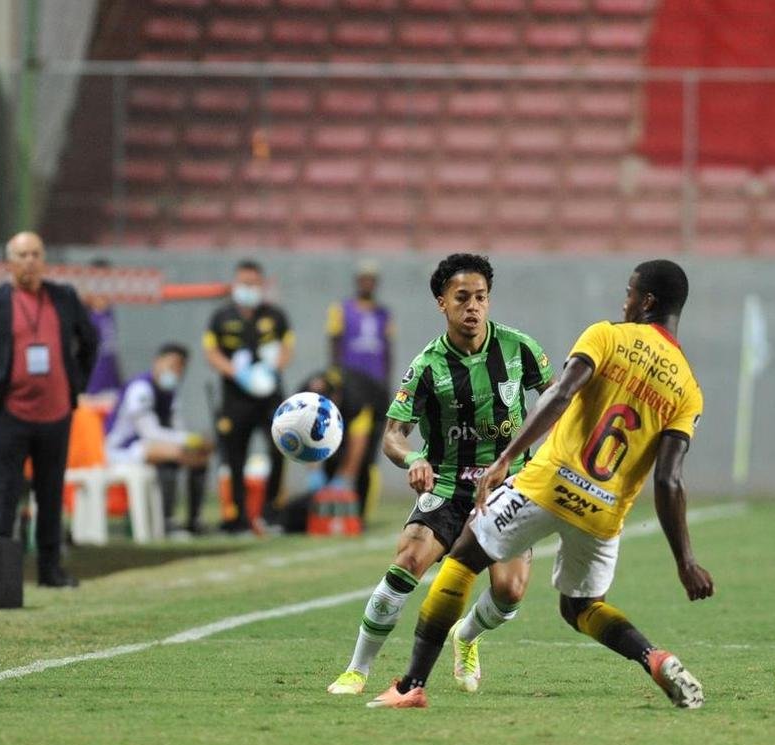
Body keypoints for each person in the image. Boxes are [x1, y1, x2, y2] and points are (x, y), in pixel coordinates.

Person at [368, 259, 713, 710]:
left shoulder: (607, 335)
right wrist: (685, 561)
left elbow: (560, 394)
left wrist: (506, 458)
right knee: (582, 608)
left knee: (466, 556)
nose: (624, 301)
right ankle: (653, 657)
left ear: (646, 301)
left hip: (546, 484)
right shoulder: (688, 388)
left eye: (629, 293)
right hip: (604, 513)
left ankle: (411, 685)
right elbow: (669, 479)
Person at [327, 253, 554, 696]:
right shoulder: (428, 366)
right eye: (462, 297)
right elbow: (393, 434)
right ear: (442, 303)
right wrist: (413, 460)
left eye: (481, 298)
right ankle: (357, 669)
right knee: (408, 560)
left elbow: (558, 401)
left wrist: (541, 455)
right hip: (448, 484)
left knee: (510, 592)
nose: (473, 307)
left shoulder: (519, 348)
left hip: (508, 487)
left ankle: (466, 636)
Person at [0, 231, 98, 587]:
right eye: (22, 254)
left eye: (36, 254)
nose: (30, 261)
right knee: (6, 492)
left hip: (56, 414)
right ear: (9, 262)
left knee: (51, 492)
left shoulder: (63, 297)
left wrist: (78, 383)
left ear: (44, 260)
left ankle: (50, 570)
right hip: (9, 413)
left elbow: (90, 341)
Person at [202, 260, 294, 534]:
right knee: (234, 456)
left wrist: (270, 369)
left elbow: (287, 348)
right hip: (235, 398)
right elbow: (211, 351)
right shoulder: (221, 317)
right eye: (244, 283)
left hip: (270, 397)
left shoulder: (276, 315)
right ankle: (238, 517)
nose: (248, 288)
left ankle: (271, 513)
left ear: (262, 285)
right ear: (234, 284)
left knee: (279, 449)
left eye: (253, 283)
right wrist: (236, 373)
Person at [104, 342, 212, 535]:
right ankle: (164, 521)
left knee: (199, 455)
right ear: (157, 362)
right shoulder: (140, 389)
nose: (176, 372)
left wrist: (195, 444)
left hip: (147, 448)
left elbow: (177, 428)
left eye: (180, 367)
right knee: (171, 452)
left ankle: (194, 520)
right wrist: (189, 440)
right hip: (118, 450)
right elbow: (150, 432)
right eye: (172, 365)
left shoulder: (171, 393)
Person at [280, 365, 389, 531]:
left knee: (364, 463)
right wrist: (314, 471)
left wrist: (344, 478)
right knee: (330, 458)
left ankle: (359, 516)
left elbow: (357, 446)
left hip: (375, 406)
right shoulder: (302, 399)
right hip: (346, 407)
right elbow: (308, 437)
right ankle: (327, 513)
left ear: (336, 397)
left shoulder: (355, 400)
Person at [328, 259, 394, 386]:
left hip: (376, 377)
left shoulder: (384, 313)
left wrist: (387, 380)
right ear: (357, 281)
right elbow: (335, 343)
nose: (367, 284)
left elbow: (388, 350)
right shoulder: (341, 309)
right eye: (364, 280)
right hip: (349, 376)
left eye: (371, 280)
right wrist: (334, 374)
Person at [83, 257, 123, 401]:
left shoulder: (109, 312)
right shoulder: (82, 314)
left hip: (111, 387)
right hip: (89, 391)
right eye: (97, 282)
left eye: (106, 282)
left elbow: (111, 351)